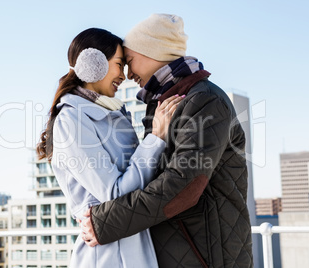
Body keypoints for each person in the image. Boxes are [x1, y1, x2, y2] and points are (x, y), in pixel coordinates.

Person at [80, 14, 254, 267]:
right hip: (183, 251)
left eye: (129, 61)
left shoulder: (204, 100)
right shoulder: (168, 103)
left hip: (206, 257)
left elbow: (184, 184)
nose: (128, 74)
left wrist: (104, 222)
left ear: (151, 52)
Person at [36, 28, 183, 268]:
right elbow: (113, 194)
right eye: (119, 64)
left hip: (133, 241)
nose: (123, 75)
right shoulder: (72, 120)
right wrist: (156, 138)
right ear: (94, 64)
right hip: (107, 253)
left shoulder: (112, 113)